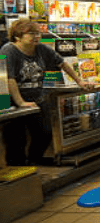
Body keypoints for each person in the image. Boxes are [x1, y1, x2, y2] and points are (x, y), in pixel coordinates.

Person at [1, 18, 91, 165]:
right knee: (16, 139)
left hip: (38, 99)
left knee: (45, 133)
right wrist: (21, 102)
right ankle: (18, 169)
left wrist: (79, 81)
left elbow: (62, 63)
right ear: (17, 36)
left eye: (38, 33)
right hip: (12, 102)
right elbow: (9, 79)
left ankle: (33, 161)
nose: (36, 36)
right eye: (31, 33)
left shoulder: (41, 49)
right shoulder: (8, 50)